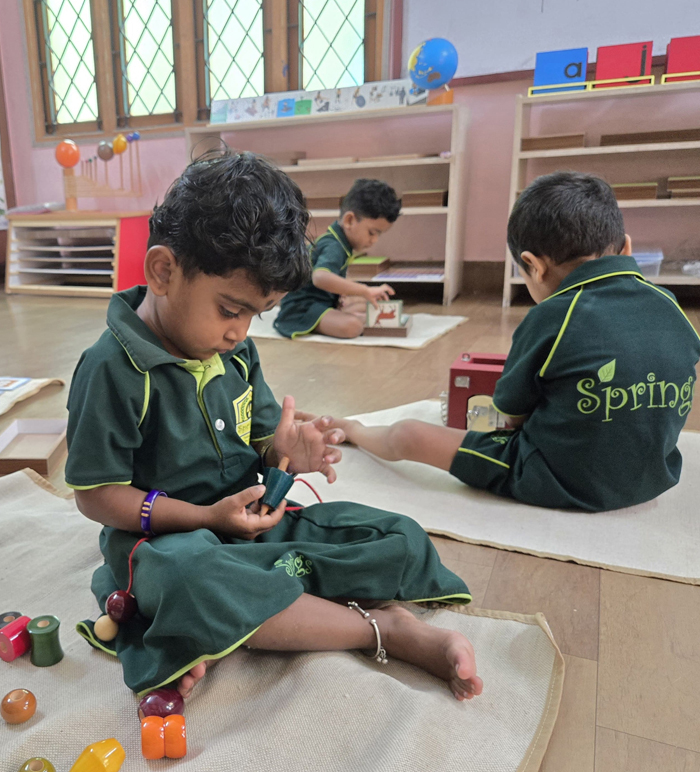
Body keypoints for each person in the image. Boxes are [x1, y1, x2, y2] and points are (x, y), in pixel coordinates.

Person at [66, 151, 483, 703]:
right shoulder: (111, 369)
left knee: (397, 536)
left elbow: (264, 437)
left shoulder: (236, 354)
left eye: (255, 315)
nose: (239, 332)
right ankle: (383, 629)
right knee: (192, 582)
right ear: (164, 271)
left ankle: (238, 616)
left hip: (252, 525)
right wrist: (202, 517)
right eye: (230, 309)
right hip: (167, 544)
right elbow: (97, 495)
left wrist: (285, 449)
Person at [329, 172, 700, 512]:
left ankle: (354, 429)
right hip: (654, 477)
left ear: (533, 265)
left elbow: (510, 413)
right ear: (626, 248)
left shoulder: (553, 316)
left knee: (409, 433)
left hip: (558, 478)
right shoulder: (671, 305)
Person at [273, 178, 401, 339]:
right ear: (349, 220)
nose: (374, 240)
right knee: (352, 326)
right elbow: (320, 277)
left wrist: (348, 294)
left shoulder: (340, 242)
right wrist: (365, 290)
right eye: (372, 232)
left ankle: (339, 314)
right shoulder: (334, 246)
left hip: (322, 302)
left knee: (366, 304)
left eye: (378, 235)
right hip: (301, 309)